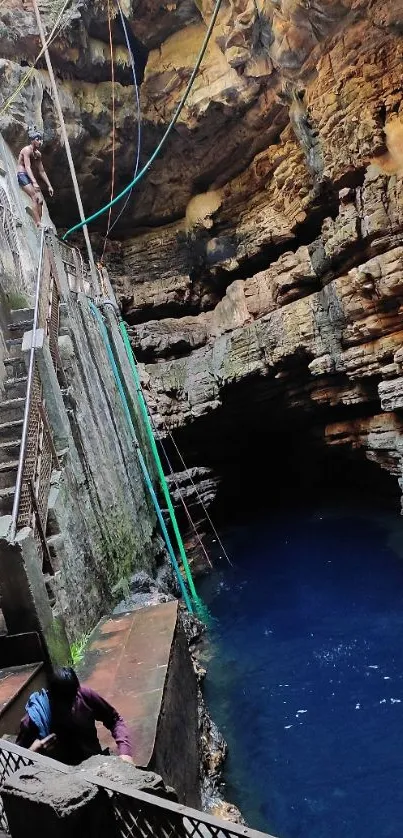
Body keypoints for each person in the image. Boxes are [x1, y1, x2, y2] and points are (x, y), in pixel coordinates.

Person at [16, 666, 133, 766]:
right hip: (60, 776)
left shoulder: (84, 696)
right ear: (50, 696)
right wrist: (33, 752)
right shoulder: (35, 720)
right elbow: (16, 761)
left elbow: (114, 719)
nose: (70, 707)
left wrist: (125, 752)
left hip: (95, 763)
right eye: (63, 703)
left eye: (72, 701)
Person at [17, 127, 54, 228]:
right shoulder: (26, 150)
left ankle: (39, 222)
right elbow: (27, 167)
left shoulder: (37, 154)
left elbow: (41, 171)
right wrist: (34, 182)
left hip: (29, 177)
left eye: (40, 140)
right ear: (32, 140)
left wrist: (49, 186)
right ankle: (38, 223)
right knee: (34, 197)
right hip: (22, 175)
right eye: (37, 140)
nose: (40, 142)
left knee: (40, 200)